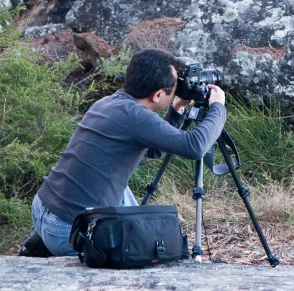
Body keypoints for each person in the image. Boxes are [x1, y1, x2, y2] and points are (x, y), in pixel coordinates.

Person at [19, 48, 226, 256]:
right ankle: (63, 246)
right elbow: (196, 146)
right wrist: (218, 107)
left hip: (43, 208)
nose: (178, 89)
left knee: (120, 191)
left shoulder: (108, 102)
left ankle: (41, 243)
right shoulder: (137, 117)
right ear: (157, 95)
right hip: (67, 230)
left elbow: (153, 151)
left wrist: (177, 107)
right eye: (174, 88)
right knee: (143, 252)